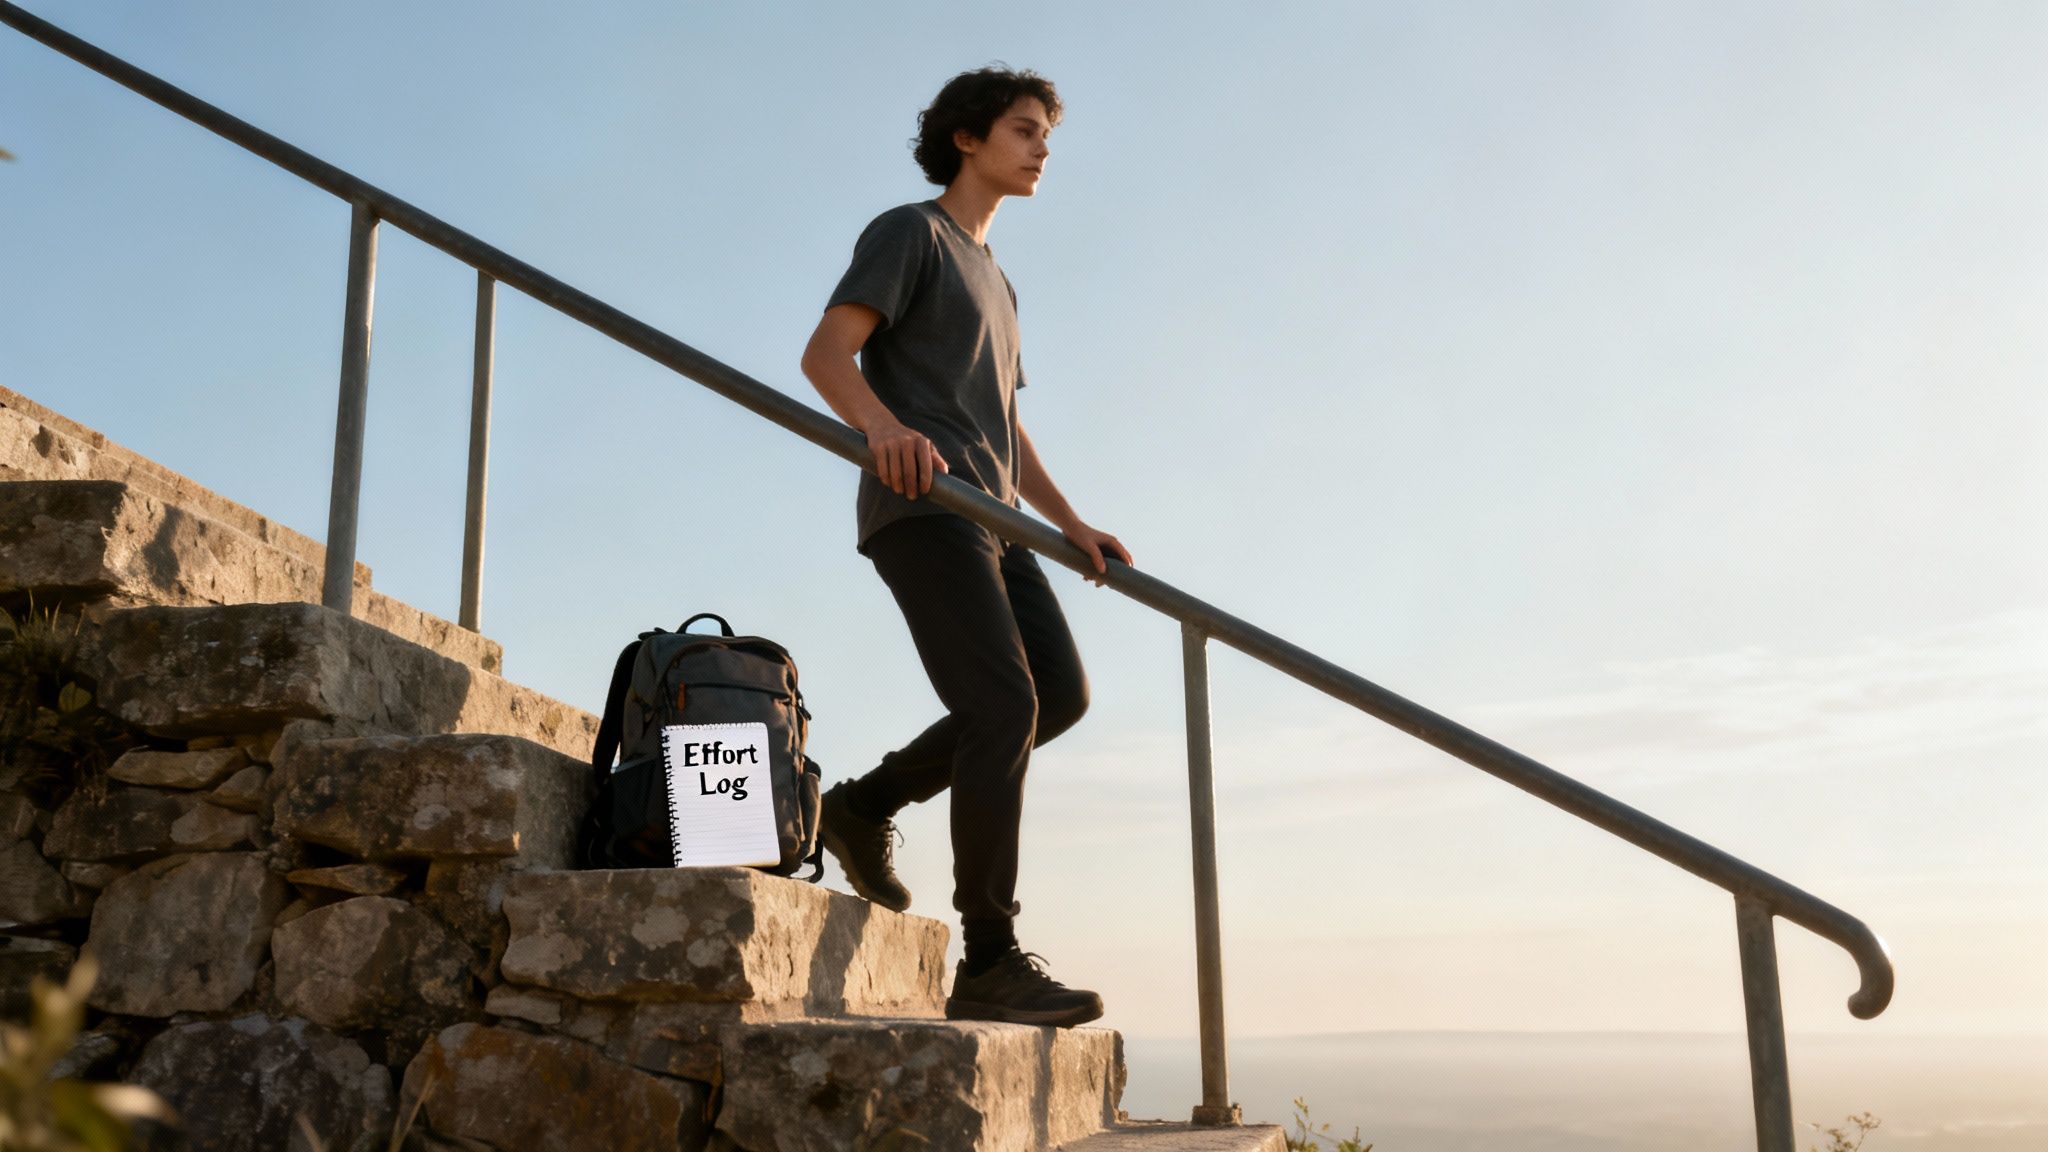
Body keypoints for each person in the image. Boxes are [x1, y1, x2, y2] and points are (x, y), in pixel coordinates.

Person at [799, 67, 1131, 1028]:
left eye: (1045, 136)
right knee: (1002, 703)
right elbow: (828, 352)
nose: (1041, 149)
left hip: (999, 519)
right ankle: (988, 957)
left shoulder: (1000, 278)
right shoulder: (912, 233)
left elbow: (1006, 426)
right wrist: (881, 429)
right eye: (1024, 130)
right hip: (924, 505)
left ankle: (861, 806)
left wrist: (1066, 520)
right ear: (967, 140)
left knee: (1055, 698)